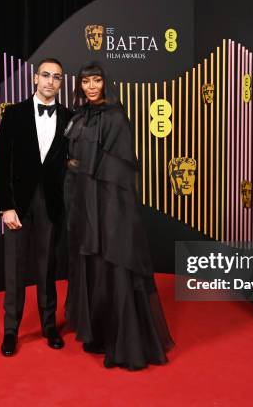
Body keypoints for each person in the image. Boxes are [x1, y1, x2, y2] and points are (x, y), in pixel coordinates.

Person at [63, 62, 174, 370]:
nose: (91, 86)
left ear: (105, 83)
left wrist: (81, 170)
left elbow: (121, 171)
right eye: (86, 81)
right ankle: (97, 333)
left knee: (113, 265)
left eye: (97, 80)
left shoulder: (115, 118)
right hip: (84, 205)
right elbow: (72, 159)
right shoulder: (79, 117)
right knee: (94, 267)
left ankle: (123, 342)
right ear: (80, 85)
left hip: (110, 207)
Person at [0, 58, 72, 356]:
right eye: (46, 75)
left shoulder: (69, 117)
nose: (51, 81)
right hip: (18, 203)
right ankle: (10, 330)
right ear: (34, 79)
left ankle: (49, 325)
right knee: (14, 269)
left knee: (47, 267)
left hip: (51, 203)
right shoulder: (14, 114)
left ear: (61, 83)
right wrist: (5, 206)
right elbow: (1, 163)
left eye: (57, 77)